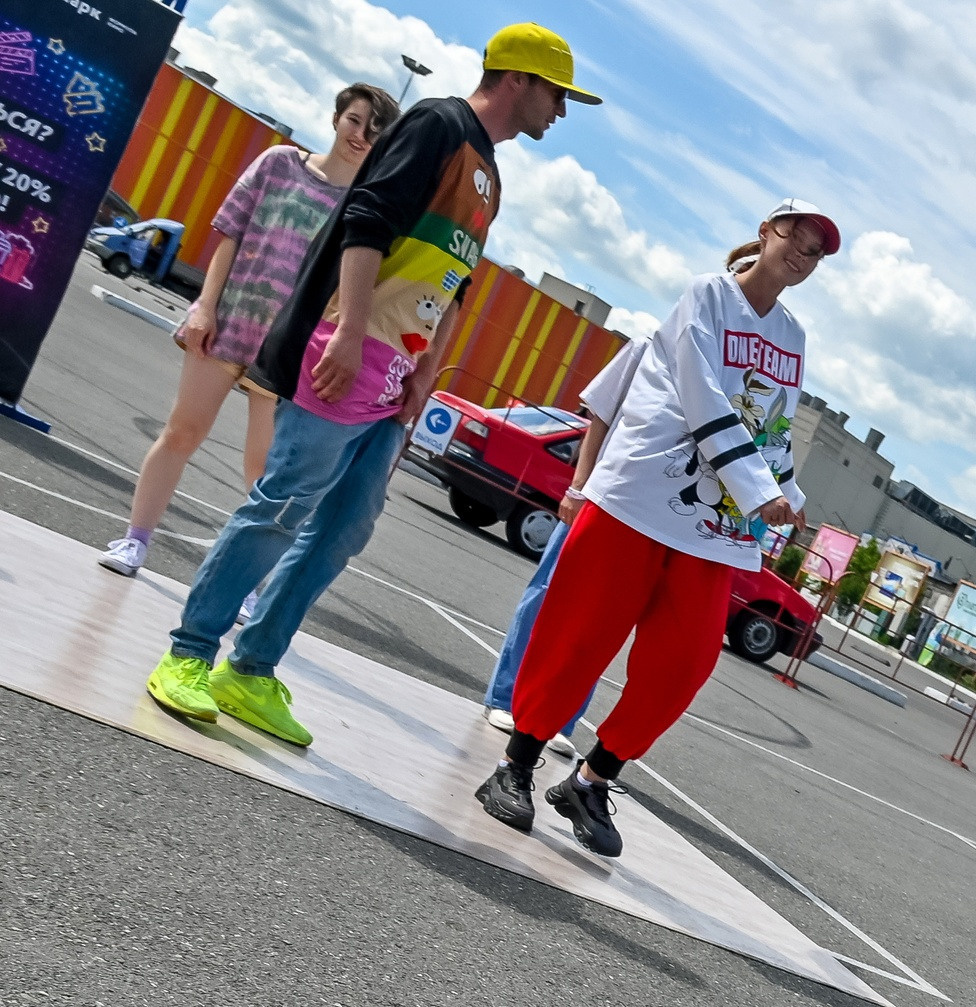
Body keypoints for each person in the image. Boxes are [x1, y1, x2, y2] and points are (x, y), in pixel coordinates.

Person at [139, 24, 597, 746]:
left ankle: (250, 667)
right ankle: (189, 653)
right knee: (283, 505)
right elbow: (366, 219)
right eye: (557, 95)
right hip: (345, 349)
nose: (560, 113)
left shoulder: (491, 175)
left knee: (345, 527)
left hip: (396, 378)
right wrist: (350, 331)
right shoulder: (438, 124)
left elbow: (453, 286)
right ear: (519, 79)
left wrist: (425, 375)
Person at [472, 201, 834, 858]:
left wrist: (786, 491)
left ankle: (591, 778)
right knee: (577, 634)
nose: (801, 254)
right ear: (763, 231)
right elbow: (705, 395)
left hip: (712, 526)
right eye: (794, 236)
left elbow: (775, 427)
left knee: (684, 664)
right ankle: (516, 764)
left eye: (815, 250)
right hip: (639, 497)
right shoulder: (706, 295)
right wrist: (758, 489)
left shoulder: (794, 338)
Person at [97, 83, 397, 578]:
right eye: (355, 121)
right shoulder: (279, 163)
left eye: (375, 130)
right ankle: (134, 541)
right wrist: (204, 307)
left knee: (265, 472)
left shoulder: (366, 205)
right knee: (181, 433)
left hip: (289, 350)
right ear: (336, 118)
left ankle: (247, 584)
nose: (362, 135)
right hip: (229, 321)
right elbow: (230, 234)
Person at [479, 337, 639, 744]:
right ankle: (505, 698)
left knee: (601, 620)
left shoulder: (720, 367)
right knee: (547, 594)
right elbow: (599, 416)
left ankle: (560, 719)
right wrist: (578, 486)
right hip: (600, 497)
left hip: (645, 519)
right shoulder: (648, 346)